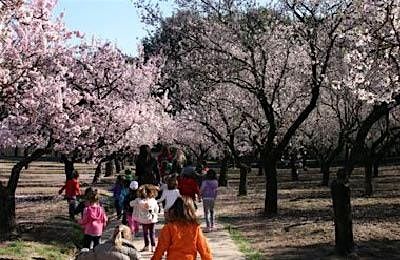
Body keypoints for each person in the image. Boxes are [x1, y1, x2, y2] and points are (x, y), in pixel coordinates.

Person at [75, 224, 141, 260]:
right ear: (129, 236)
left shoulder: (99, 248)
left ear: (113, 235)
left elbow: (83, 257)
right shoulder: (132, 252)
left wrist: (82, 253)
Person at [130, 184, 159, 252]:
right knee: (152, 233)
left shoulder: (138, 201)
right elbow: (157, 209)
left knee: (145, 234)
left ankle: (146, 246)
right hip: (152, 219)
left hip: (144, 220)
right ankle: (153, 246)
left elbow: (131, 204)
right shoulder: (153, 200)